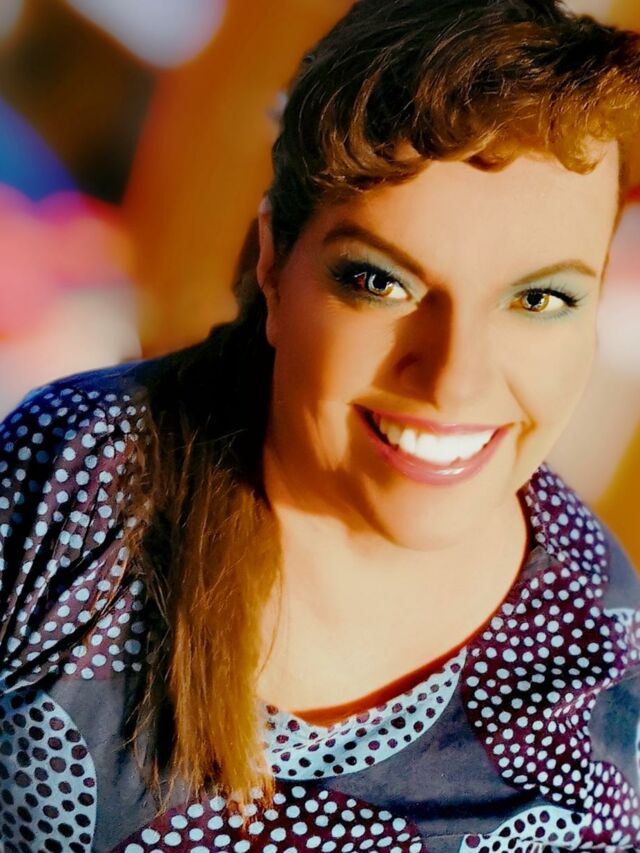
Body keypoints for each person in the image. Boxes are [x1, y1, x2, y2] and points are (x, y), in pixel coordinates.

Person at [1, 0, 640, 850]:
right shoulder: (76, 477)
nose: (454, 379)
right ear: (273, 264)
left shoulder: (605, 699)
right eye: (381, 282)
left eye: (540, 299)